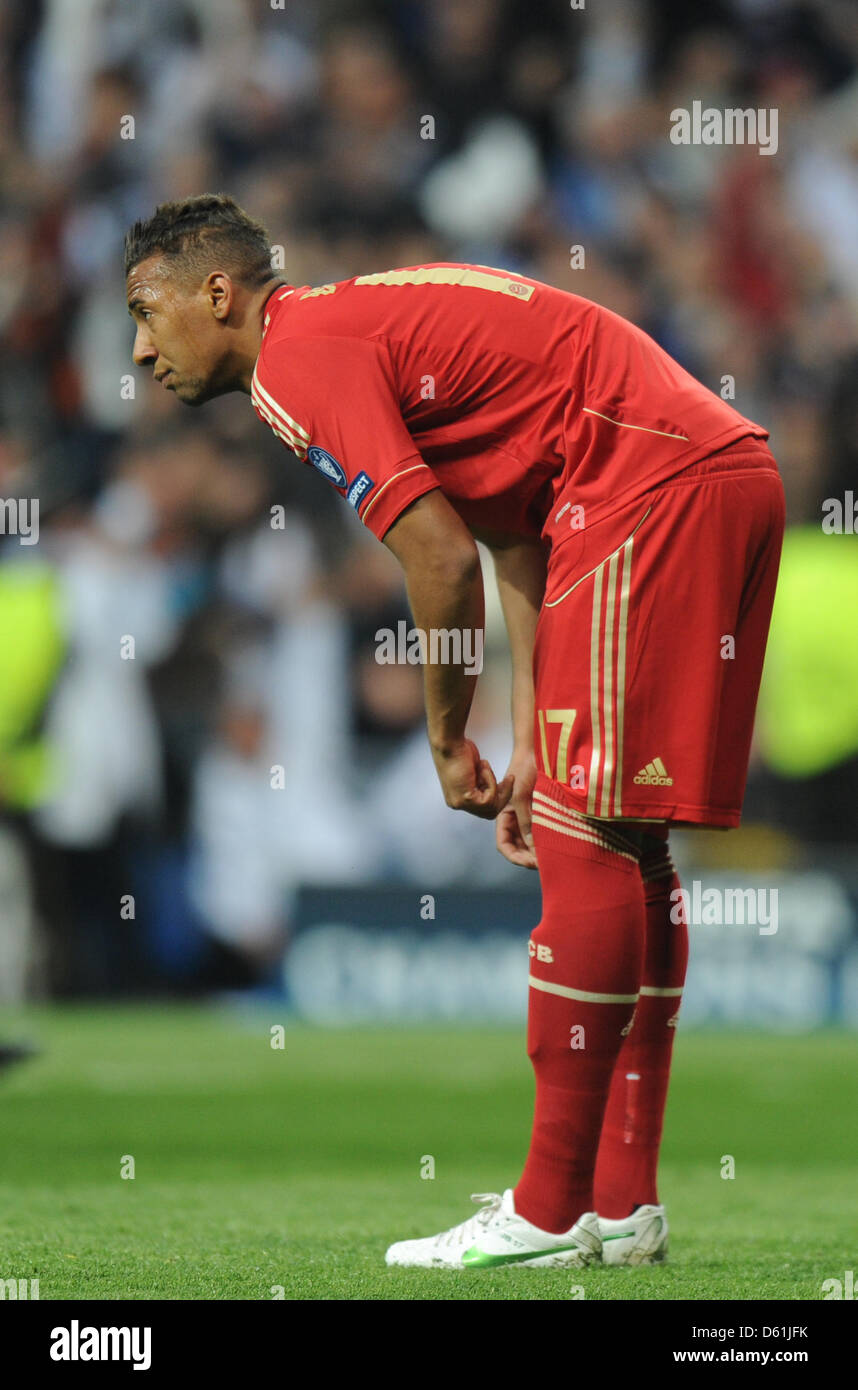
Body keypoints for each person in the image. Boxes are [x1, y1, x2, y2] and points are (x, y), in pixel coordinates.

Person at [125, 195, 785, 1269]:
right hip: (691, 477)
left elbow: (436, 559)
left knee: (589, 840)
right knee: (622, 836)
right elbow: (512, 539)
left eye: (148, 311)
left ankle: (547, 1208)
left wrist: (445, 741)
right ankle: (617, 1202)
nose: (141, 349)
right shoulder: (356, 328)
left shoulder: (295, 363)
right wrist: (527, 739)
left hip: (648, 487)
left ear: (220, 293)